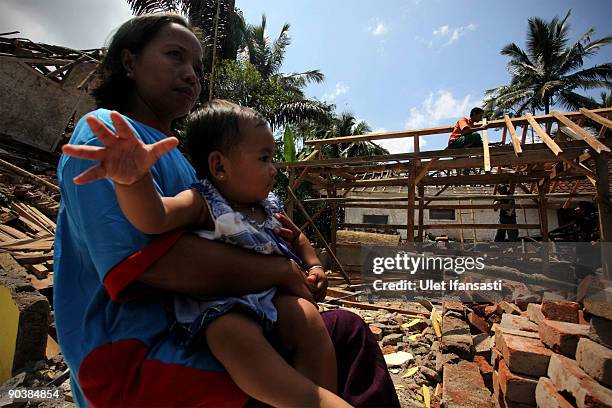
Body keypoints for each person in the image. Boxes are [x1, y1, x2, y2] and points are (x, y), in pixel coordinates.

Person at [53, 13, 400, 408]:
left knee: (344, 331)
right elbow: (152, 263)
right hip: (138, 355)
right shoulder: (110, 138)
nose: (191, 75)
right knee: (276, 358)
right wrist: (281, 271)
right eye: (174, 56)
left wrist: (306, 265)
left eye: (197, 67)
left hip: (193, 331)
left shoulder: (184, 164)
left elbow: (278, 234)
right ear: (129, 62)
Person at [63, 100, 348, 407]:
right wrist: (134, 181)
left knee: (309, 321)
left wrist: (315, 265)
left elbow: (299, 238)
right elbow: (155, 217)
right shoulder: (204, 201)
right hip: (222, 302)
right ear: (219, 166)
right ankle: (312, 401)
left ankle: (325, 392)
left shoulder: (270, 206)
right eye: (264, 158)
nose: (274, 168)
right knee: (233, 337)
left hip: (273, 296)